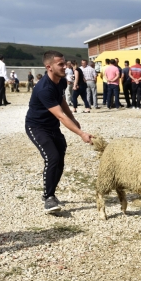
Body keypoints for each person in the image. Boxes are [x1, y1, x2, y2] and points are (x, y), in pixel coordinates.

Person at [25, 50, 93, 213]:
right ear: (49, 67)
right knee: (52, 157)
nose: (65, 66)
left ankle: (51, 193)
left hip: (52, 126)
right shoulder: (44, 88)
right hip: (37, 127)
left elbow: (62, 102)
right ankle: (48, 198)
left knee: (60, 157)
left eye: (65, 63)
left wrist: (74, 118)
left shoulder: (61, 82)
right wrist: (80, 133)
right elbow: (60, 116)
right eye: (60, 64)